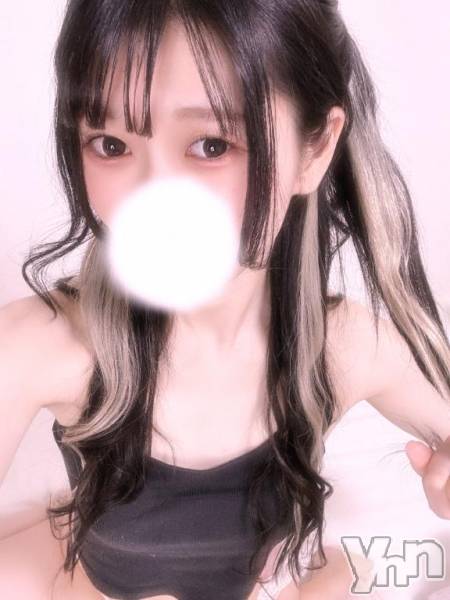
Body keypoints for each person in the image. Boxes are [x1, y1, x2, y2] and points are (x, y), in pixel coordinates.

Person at [1, 1, 449, 599]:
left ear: (315, 149)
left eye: (212, 145)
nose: (152, 201)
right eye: (109, 144)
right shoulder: (42, 346)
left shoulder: (347, 348)